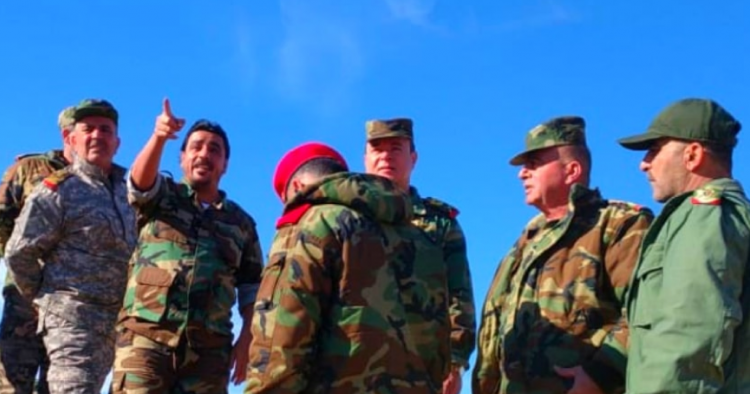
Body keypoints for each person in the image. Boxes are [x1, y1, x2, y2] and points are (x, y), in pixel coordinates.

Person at [245, 142, 451, 394]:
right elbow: (439, 343)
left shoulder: (314, 222)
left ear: (297, 188)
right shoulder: (421, 239)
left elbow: (280, 341)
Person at [472, 116, 654, 394]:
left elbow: (647, 310)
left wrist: (599, 374)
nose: (522, 173)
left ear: (571, 171)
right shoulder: (522, 247)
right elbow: (491, 340)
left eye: (534, 164)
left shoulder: (617, 225)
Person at [110, 99, 264, 394]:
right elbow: (139, 185)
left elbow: (252, 290)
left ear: (225, 165)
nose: (204, 154)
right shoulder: (163, 196)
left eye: (214, 149)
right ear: (182, 157)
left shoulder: (241, 223)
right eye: (196, 147)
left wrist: (247, 340)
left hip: (209, 354)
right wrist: (159, 137)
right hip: (145, 341)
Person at [4, 98, 137, 394]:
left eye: (105, 130)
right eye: (88, 128)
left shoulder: (127, 190)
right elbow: (17, 250)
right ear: (71, 137)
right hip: (61, 316)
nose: (97, 136)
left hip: (105, 328)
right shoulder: (53, 185)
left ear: (117, 142)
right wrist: (42, 296)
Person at [618, 98, 750, 393]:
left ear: (692, 155)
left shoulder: (705, 214)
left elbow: (690, 331)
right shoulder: (723, 215)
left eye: (654, 150)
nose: (643, 164)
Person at [363, 118, 476, 394]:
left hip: (421, 370)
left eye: (396, 148)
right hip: (355, 366)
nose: (386, 156)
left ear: (413, 158)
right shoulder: (348, 218)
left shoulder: (440, 224)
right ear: (366, 159)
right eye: (377, 149)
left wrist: (455, 362)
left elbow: (459, 296)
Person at [0, 105, 76, 394]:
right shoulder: (29, 169)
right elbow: (3, 221)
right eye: (73, 131)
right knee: (11, 384)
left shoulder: (103, 180)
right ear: (65, 135)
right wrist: (23, 267)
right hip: (25, 301)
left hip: (72, 306)